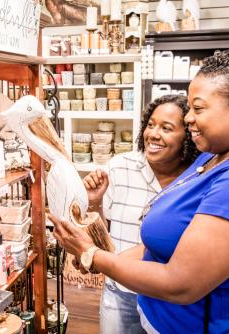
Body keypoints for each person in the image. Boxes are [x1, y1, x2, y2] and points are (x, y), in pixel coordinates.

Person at [50, 48, 229, 333]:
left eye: (198, 108)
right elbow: (159, 248)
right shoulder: (210, 159)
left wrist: (92, 254)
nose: (188, 118)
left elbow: (181, 284)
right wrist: (99, 261)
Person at [82, 95, 198, 334]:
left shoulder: (195, 179)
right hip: (120, 292)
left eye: (166, 128)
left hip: (167, 299)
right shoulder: (119, 167)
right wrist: (95, 202)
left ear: (187, 136)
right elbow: (101, 236)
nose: (153, 134)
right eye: (151, 124)